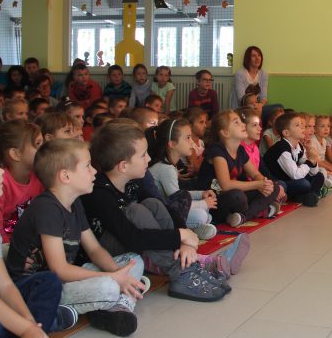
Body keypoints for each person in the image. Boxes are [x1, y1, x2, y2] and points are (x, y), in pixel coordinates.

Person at [6, 139, 146, 337]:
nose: (94, 171)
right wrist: (112, 278)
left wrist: (118, 273)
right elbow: (59, 269)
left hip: (66, 280)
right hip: (38, 291)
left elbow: (94, 249)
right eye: (87, 166)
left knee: (134, 260)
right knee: (107, 286)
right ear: (65, 176)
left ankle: (118, 305)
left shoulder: (74, 203)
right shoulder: (47, 209)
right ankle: (116, 300)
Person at [80, 120, 226, 302]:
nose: (149, 159)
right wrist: (178, 235)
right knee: (136, 210)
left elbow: (165, 208)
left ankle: (185, 262)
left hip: (134, 240)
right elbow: (131, 237)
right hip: (106, 252)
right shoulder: (99, 193)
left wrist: (184, 240)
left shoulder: (134, 180)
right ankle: (179, 271)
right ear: (123, 165)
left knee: (153, 204)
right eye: (143, 155)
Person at [0, 141, 70, 338]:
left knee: (48, 282)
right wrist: (22, 326)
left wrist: (29, 323)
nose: (0, 171)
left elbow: (3, 284)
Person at [197, 110, 282, 226]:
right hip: (215, 201)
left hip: (235, 197)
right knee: (237, 196)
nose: (243, 125)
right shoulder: (217, 150)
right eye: (236, 122)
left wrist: (265, 184)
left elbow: (255, 174)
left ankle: (242, 217)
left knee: (274, 187)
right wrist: (257, 185)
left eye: (242, 122)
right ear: (225, 132)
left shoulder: (240, 150)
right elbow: (226, 185)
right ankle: (258, 211)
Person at [147, 118, 219, 240]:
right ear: (172, 144)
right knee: (201, 214)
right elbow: (178, 204)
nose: (192, 143)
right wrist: (203, 203)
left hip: (169, 210)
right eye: (188, 138)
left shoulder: (169, 166)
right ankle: (192, 229)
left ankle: (194, 228)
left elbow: (179, 196)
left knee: (204, 213)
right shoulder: (165, 168)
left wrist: (201, 194)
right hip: (160, 216)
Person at [0, 121, 44, 247]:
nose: (44, 149)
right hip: (6, 248)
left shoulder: (40, 176)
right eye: (38, 144)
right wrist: (15, 253)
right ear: (16, 154)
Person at [263, 112, 325, 207]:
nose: (302, 127)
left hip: (290, 178)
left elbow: (314, 172)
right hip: (277, 181)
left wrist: (310, 155)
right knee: (304, 184)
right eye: (297, 125)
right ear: (286, 133)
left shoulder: (298, 146)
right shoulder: (282, 148)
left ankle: (306, 196)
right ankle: (304, 196)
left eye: (302, 124)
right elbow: (296, 175)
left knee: (319, 176)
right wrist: (309, 161)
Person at [229, 46, 268, 110]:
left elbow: (264, 97)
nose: (257, 58)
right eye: (253, 56)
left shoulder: (263, 74)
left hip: (257, 108)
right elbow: (241, 99)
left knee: (278, 107)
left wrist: (260, 105)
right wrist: (255, 106)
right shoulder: (240, 74)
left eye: (259, 55)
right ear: (248, 58)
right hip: (242, 109)